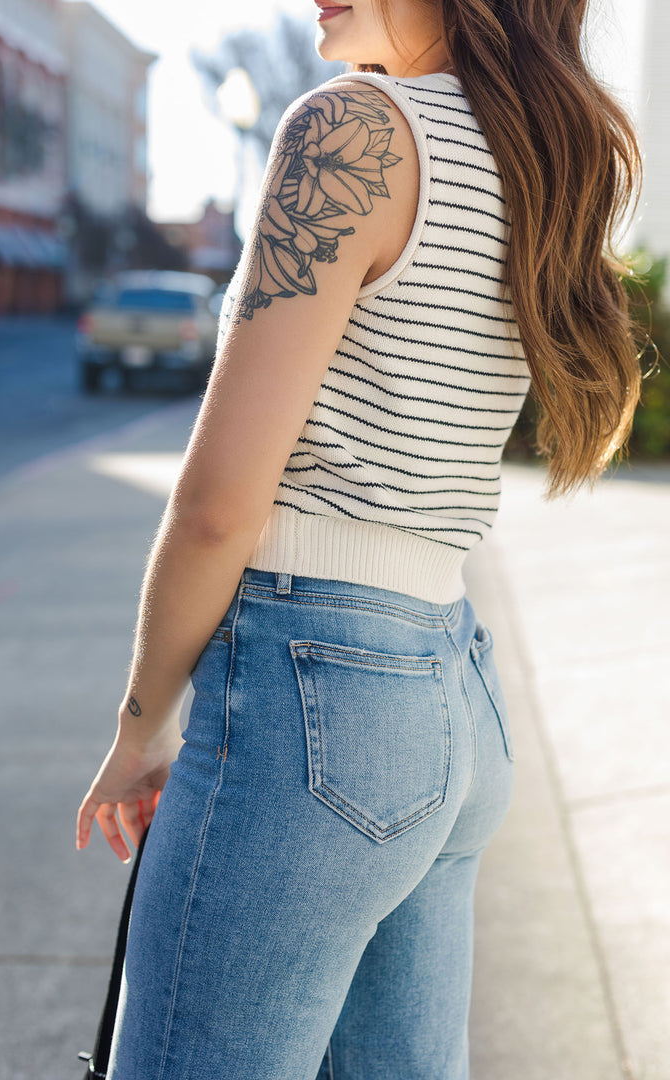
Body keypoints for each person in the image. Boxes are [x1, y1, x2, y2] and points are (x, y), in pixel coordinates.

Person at [76, 2, 643, 1077]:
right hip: (450, 690)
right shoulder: (540, 161)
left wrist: (141, 726)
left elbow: (215, 506)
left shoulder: (358, 132)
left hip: (314, 699)